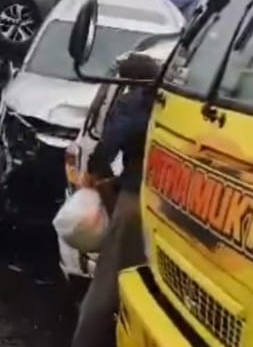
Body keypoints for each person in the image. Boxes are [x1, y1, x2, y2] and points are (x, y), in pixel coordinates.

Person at [71, 52, 160, 347]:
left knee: (108, 283)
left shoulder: (135, 103)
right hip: (176, 207)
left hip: (136, 201)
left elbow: (104, 151)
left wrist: (103, 182)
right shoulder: (176, 102)